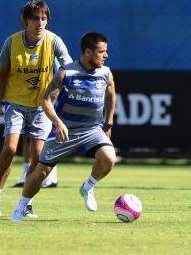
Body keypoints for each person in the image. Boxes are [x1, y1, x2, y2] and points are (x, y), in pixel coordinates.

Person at [10, 32, 116, 222]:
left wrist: (108, 123)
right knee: (41, 172)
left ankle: (88, 187)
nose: (106, 56)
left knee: (109, 158)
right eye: (102, 52)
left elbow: (110, 95)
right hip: (65, 130)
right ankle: (20, 208)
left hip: (92, 129)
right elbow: (46, 101)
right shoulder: (66, 73)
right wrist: (58, 123)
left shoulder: (105, 73)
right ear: (88, 52)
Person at [0, 0, 73, 217]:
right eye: (35, 18)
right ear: (25, 20)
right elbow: (2, 75)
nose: (40, 22)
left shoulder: (53, 41)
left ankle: (26, 203)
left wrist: (58, 87)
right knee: (10, 149)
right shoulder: (12, 42)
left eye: (44, 18)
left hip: (41, 107)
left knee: (38, 155)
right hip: (15, 104)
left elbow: (69, 67)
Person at [0, 73, 59, 188]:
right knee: (28, 140)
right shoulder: (19, 57)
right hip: (28, 98)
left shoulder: (50, 55)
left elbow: (61, 69)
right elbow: (11, 68)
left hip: (45, 100)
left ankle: (50, 177)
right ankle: (26, 175)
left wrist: (56, 90)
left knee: (44, 142)